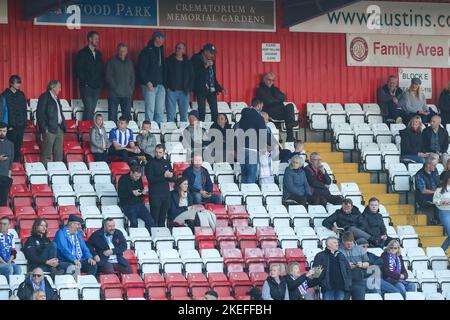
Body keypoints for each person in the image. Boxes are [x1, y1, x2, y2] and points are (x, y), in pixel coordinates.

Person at [256, 72, 296, 142]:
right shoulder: (260, 90)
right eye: (269, 80)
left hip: (280, 110)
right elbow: (269, 101)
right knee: (289, 118)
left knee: (290, 106)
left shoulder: (275, 89)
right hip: (270, 111)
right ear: (264, 79)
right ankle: (290, 135)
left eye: (273, 80)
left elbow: (283, 97)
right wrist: (277, 98)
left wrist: (276, 98)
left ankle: (290, 137)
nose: (271, 82)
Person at [236, 98, 268, 184]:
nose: (262, 107)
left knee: (244, 174)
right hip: (252, 150)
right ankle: (250, 193)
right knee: (251, 175)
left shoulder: (243, 116)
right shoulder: (258, 117)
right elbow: (263, 134)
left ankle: (244, 193)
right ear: (258, 105)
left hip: (242, 148)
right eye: (262, 106)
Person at [191, 43, 226, 122]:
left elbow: (213, 77)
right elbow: (194, 75)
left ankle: (215, 129)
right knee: (201, 111)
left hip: (212, 89)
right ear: (205, 51)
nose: (212, 55)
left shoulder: (212, 61)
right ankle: (200, 129)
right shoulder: (196, 58)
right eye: (211, 53)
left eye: (213, 53)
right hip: (200, 89)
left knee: (215, 111)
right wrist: (205, 66)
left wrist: (220, 89)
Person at [137, 31, 166, 125]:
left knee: (160, 111)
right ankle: (149, 131)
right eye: (161, 38)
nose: (163, 40)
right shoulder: (146, 51)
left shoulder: (161, 50)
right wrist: (147, 82)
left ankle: (158, 132)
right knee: (150, 111)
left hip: (161, 85)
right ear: (157, 38)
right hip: (150, 85)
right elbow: (141, 68)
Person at [36, 80, 66, 167]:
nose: (60, 89)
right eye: (59, 87)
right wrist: (44, 128)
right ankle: (46, 173)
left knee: (58, 153)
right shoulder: (44, 96)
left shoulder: (56, 98)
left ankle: (57, 173)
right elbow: (39, 114)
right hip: (49, 129)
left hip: (59, 128)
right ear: (53, 87)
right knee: (47, 153)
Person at [75, 31, 104, 121]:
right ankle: (85, 131)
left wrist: (100, 83)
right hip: (86, 87)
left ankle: (89, 130)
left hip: (96, 87)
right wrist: (86, 82)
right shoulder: (82, 53)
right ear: (90, 39)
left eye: (98, 39)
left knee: (92, 109)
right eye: (95, 38)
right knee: (89, 108)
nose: (97, 40)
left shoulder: (99, 54)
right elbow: (78, 70)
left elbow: (101, 70)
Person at [118, 164, 154, 234]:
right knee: (134, 222)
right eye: (136, 176)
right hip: (128, 205)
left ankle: (149, 238)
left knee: (151, 221)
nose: (137, 178)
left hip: (139, 204)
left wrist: (142, 193)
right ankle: (134, 239)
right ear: (131, 172)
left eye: (139, 176)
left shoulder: (139, 179)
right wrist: (132, 193)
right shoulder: (123, 179)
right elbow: (121, 194)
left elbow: (140, 191)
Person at [145, 144, 174, 227]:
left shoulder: (167, 162)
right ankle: (154, 236)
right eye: (156, 152)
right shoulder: (150, 164)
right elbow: (150, 180)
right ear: (154, 151)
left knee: (163, 217)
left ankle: (161, 237)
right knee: (154, 217)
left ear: (163, 153)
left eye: (160, 152)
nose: (158, 154)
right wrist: (164, 176)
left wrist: (171, 176)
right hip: (155, 194)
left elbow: (171, 178)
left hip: (166, 194)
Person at [105, 43, 135, 122]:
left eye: (124, 51)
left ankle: (125, 134)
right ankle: (112, 134)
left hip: (127, 94)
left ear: (127, 52)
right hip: (114, 94)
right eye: (120, 51)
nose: (122, 53)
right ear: (117, 51)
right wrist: (115, 88)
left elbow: (132, 77)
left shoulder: (129, 62)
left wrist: (130, 89)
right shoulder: (112, 61)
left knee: (127, 117)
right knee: (112, 116)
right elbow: (108, 76)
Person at [165, 42, 194, 122]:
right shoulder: (169, 61)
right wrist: (167, 87)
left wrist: (189, 88)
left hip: (184, 91)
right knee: (170, 114)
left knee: (184, 115)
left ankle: (183, 133)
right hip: (172, 90)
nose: (178, 50)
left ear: (184, 50)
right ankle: (170, 131)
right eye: (177, 48)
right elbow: (165, 74)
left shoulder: (188, 63)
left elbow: (192, 76)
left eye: (180, 48)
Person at [1, 75, 27, 161]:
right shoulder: (4, 95)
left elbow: (24, 110)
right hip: (10, 127)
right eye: (17, 82)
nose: (19, 84)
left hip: (20, 126)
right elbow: (3, 112)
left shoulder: (21, 94)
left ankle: (17, 165)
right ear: (11, 83)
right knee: (10, 147)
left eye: (19, 82)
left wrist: (24, 123)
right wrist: (7, 126)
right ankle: (9, 166)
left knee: (18, 147)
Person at [338, 231, 369, 300]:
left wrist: (361, 264)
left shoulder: (360, 249)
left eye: (351, 244)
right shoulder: (338, 251)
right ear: (343, 242)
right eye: (347, 244)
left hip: (358, 281)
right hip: (344, 282)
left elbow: (367, 264)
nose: (349, 246)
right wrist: (346, 266)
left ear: (353, 241)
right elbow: (335, 266)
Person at [415, 153, 440, 224]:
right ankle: (437, 220)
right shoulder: (419, 174)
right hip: (424, 197)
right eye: (434, 165)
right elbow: (423, 190)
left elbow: (438, 182)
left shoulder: (435, 170)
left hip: (436, 194)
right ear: (428, 165)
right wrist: (436, 192)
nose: (435, 167)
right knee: (440, 201)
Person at [432, 172, 450, 251]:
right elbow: (435, 201)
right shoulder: (440, 189)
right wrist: (443, 202)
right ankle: (441, 251)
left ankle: (441, 252)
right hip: (444, 212)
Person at [0, 122, 13, 206]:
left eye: (4, 131)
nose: (2, 133)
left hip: (5, 176)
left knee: (3, 201)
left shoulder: (11, 144)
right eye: (0, 131)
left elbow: (10, 162)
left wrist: (9, 175)